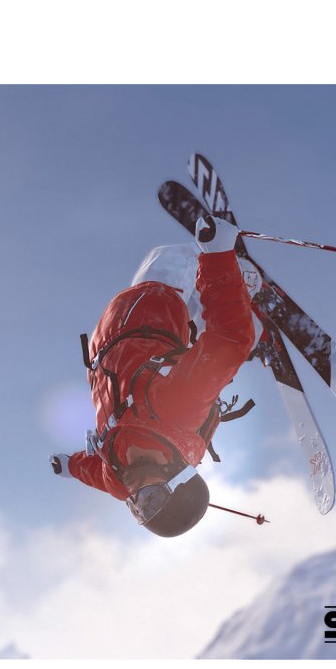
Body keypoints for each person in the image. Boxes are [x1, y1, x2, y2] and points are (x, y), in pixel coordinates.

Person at [50, 216, 257, 537]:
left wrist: (68, 466)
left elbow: (92, 473)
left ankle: (227, 285)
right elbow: (229, 340)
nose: (136, 499)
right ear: (176, 480)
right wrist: (218, 255)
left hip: (109, 333)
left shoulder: (119, 480)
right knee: (172, 258)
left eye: (139, 511)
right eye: (152, 499)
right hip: (155, 306)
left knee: (182, 296)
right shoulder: (175, 411)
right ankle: (237, 281)